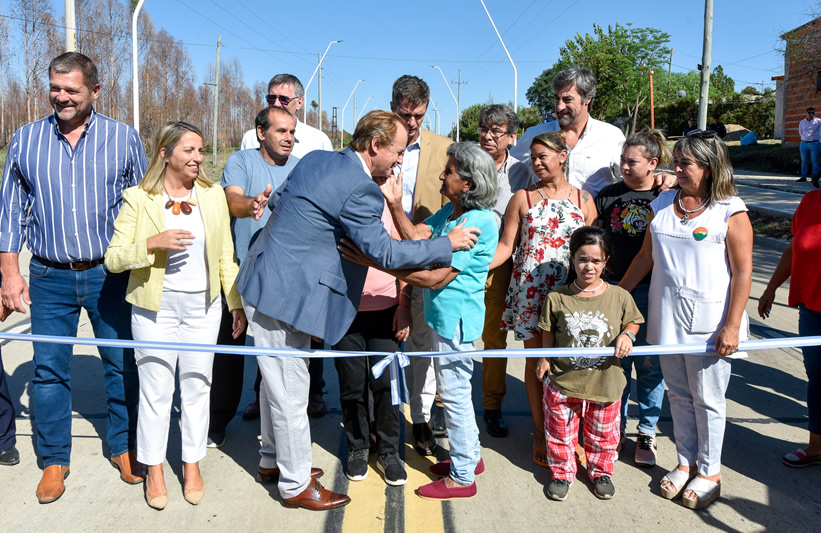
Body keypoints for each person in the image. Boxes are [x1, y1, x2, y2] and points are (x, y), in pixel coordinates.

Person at [235, 110, 479, 511]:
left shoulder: (318, 158)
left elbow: (281, 202)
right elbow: (384, 251)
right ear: (375, 146)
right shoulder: (361, 188)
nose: (400, 160)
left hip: (267, 280)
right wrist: (446, 243)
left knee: (275, 385)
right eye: (397, 152)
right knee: (290, 392)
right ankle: (295, 483)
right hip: (285, 296)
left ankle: (271, 462)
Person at [0, 52, 147, 504]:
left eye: (72, 90)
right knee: (48, 372)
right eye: (55, 88)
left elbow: (143, 206)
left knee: (121, 364)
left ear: (95, 92)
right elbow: (10, 212)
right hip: (48, 276)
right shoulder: (26, 140)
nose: (61, 97)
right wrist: (9, 272)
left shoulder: (123, 139)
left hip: (110, 276)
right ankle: (54, 461)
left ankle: (123, 447)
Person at [342, 141, 499, 500]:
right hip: (441, 318)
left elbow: (434, 277)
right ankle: (469, 457)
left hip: (456, 322)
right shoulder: (451, 213)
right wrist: (395, 203)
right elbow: (413, 237)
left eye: (450, 172)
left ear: (469, 184)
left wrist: (375, 262)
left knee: (455, 395)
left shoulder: (477, 222)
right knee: (455, 392)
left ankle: (462, 477)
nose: (442, 176)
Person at [105, 121, 245, 510]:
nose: (198, 158)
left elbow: (224, 257)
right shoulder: (138, 198)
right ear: (165, 154)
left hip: (204, 308)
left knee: (199, 387)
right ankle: (154, 470)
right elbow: (114, 258)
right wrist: (153, 243)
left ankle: (192, 464)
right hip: (155, 310)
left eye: (201, 151)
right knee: (156, 392)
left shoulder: (213, 196)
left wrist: (234, 304)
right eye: (190, 151)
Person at [620, 130, 753, 510]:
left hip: (712, 323)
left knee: (708, 399)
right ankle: (685, 461)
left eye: (685, 163)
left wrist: (732, 324)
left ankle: (710, 472)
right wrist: (619, 296)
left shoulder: (730, 209)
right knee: (677, 394)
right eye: (675, 161)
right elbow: (646, 257)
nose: (675, 168)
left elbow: (743, 273)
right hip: (666, 317)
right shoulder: (663, 201)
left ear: (709, 168)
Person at [491, 131, 596, 467]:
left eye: (542, 157)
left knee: (572, 367)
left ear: (562, 156)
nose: (536, 163)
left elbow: (594, 252)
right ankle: (542, 433)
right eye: (533, 158)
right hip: (532, 294)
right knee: (538, 366)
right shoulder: (522, 198)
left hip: (571, 297)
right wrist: (472, 266)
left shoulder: (584, 200)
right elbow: (506, 247)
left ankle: (571, 435)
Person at [238, 73, 331, 419]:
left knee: (306, 333)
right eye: (271, 98)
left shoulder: (318, 140)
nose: (276, 103)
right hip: (262, 253)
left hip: (304, 254)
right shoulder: (251, 136)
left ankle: (313, 393)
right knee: (267, 338)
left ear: (299, 103)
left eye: (283, 99)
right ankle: (263, 397)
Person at [207, 107, 298, 448]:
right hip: (237, 274)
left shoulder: (300, 166)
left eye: (292, 132)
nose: (288, 138)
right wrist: (253, 205)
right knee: (229, 354)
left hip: (281, 278)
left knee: (274, 361)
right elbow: (232, 200)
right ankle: (217, 424)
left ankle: (272, 431)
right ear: (261, 132)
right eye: (281, 131)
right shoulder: (241, 161)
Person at [536, 227, 643, 501]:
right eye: (583, 259)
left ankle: (601, 471)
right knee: (560, 432)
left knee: (603, 435)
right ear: (572, 259)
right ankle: (562, 473)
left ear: (606, 261)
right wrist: (545, 358)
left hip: (605, 382)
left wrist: (627, 334)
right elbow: (549, 332)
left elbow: (633, 321)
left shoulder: (620, 296)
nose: (589, 266)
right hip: (564, 380)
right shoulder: (557, 298)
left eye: (596, 261)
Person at [596, 128, 672, 466]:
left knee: (650, 365)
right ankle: (614, 429)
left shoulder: (666, 197)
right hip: (614, 290)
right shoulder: (608, 195)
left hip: (651, 291)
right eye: (622, 161)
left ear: (653, 163)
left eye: (633, 162)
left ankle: (647, 431)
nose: (624, 167)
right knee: (617, 362)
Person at [389, 75, 453, 456]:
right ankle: (378, 417)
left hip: (423, 257)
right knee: (379, 344)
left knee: (421, 349)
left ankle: (421, 419)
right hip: (376, 254)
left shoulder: (444, 149)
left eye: (418, 116)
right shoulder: (373, 141)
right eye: (404, 114)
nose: (412, 123)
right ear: (393, 106)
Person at [333, 186, 411, 486]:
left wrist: (403, 306)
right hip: (345, 313)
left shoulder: (393, 210)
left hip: (386, 312)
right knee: (352, 384)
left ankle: (390, 450)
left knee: (387, 385)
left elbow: (406, 258)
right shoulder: (339, 207)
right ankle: (358, 446)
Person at [477, 104, 535, 439]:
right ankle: (440, 406)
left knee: (494, 340)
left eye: (496, 131)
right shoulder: (467, 163)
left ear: (512, 137)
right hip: (465, 260)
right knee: (450, 335)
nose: (487, 136)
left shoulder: (523, 173)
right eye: (484, 129)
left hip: (503, 266)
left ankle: (493, 406)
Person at [758, 187, 821, 468]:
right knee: (818, 380)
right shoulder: (811, 201)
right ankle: (816, 447)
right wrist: (771, 288)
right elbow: (793, 249)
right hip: (812, 309)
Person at [510, 66, 625, 196]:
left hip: (594, 215)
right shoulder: (534, 135)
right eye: (557, 99)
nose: (559, 107)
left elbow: (630, 181)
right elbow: (507, 167)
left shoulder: (611, 136)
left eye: (567, 100)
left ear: (587, 98)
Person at [797, 106, 820, 187]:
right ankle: (803, 176)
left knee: (815, 161)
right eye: (809, 113)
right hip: (804, 143)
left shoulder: (818, 121)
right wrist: (804, 139)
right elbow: (800, 132)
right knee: (804, 160)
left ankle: (815, 177)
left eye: (813, 112)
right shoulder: (802, 122)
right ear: (806, 113)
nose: (811, 114)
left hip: (814, 143)